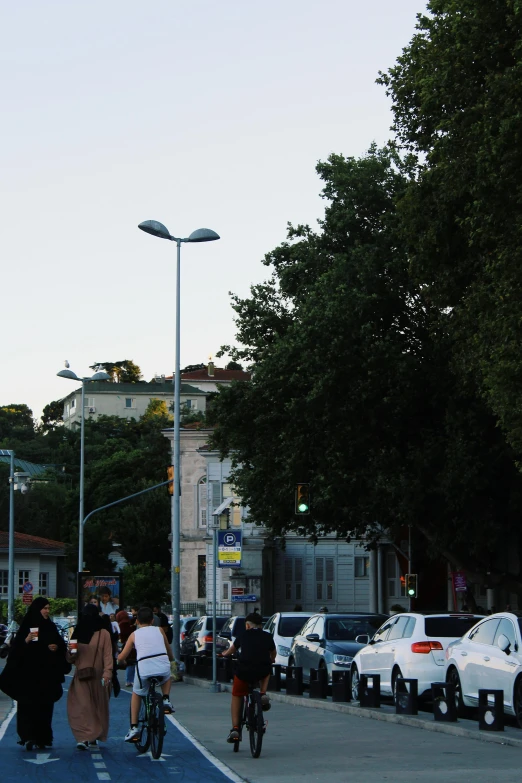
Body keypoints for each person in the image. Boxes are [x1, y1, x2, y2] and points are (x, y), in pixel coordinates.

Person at [0, 597, 70, 749]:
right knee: (27, 706)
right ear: (37, 609)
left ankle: (43, 738)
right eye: (44, 608)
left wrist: (56, 648)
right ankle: (28, 736)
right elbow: (15, 652)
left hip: (46, 675)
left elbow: (60, 645)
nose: (47, 611)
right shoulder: (27, 627)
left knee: (45, 707)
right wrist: (26, 640)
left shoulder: (50, 626)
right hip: (29, 676)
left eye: (48, 608)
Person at [118, 606, 174, 743]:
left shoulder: (134, 635)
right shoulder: (160, 630)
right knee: (168, 672)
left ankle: (134, 728)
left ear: (136, 621)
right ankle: (166, 699)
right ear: (152, 621)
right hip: (162, 665)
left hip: (144, 668)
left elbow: (121, 657)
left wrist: (122, 661)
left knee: (137, 694)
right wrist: (171, 659)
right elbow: (169, 651)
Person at [220, 611, 276, 744]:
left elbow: (232, 650)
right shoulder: (268, 636)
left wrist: (224, 654)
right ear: (260, 626)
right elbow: (273, 653)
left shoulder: (243, 635)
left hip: (244, 671)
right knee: (267, 669)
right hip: (261, 670)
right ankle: (262, 693)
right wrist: (272, 660)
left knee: (237, 695)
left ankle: (235, 729)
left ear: (248, 626)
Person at [67, 604, 113, 750]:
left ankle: (93, 734)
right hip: (82, 675)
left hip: (98, 676)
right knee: (82, 706)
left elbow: (108, 655)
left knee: (96, 707)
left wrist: (108, 672)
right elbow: (70, 659)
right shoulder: (76, 634)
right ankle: (83, 737)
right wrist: (71, 652)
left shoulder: (103, 633)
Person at [116, 609, 136, 687]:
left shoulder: (120, 624)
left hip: (125, 643)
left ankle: (129, 680)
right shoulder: (125, 624)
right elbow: (128, 632)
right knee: (131, 662)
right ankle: (130, 680)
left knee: (130, 662)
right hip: (130, 644)